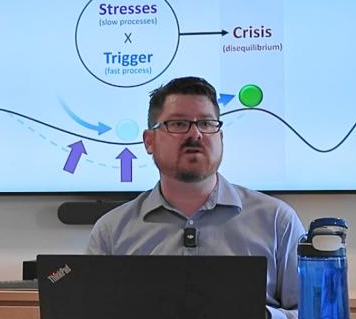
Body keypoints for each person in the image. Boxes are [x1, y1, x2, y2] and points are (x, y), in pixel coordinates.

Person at [87, 76, 304, 319]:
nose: (196, 134)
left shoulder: (277, 221)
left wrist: (262, 316)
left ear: (220, 138)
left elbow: (315, 313)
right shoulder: (111, 231)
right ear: (149, 141)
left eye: (207, 123)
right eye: (179, 124)